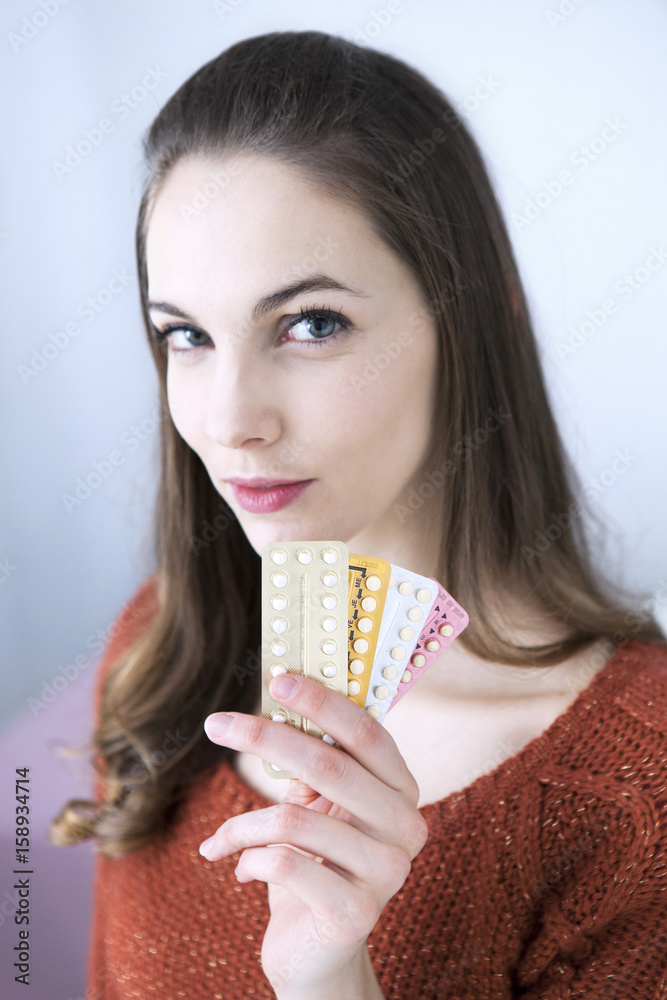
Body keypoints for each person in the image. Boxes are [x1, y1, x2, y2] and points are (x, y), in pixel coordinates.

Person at [48, 29, 667, 1000]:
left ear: (476, 316)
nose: (229, 420)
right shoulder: (160, 645)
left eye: (310, 323)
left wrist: (333, 979)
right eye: (187, 335)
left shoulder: (636, 791)